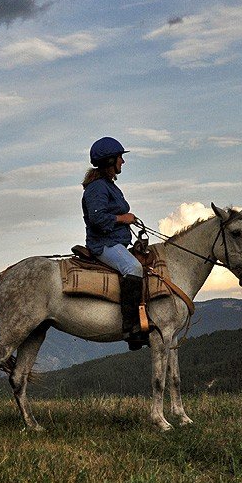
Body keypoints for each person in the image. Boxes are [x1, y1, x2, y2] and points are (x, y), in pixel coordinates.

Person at [82, 137, 147, 350]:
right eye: (120, 157)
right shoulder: (97, 188)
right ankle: (131, 328)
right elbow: (97, 219)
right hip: (103, 244)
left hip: (115, 242)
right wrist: (123, 219)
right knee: (133, 267)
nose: (123, 162)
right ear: (110, 160)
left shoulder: (108, 186)